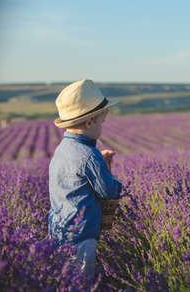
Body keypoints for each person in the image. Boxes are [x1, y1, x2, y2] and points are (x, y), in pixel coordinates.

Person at [48, 79, 121, 281]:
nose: (102, 127)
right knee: (81, 283)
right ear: (89, 122)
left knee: (63, 281)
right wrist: (108, 172)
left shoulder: (61, 150)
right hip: (82, 235)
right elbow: (109, 191)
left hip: (58, 231)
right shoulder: (90, 155)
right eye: (101, 122)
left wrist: (101, 164)